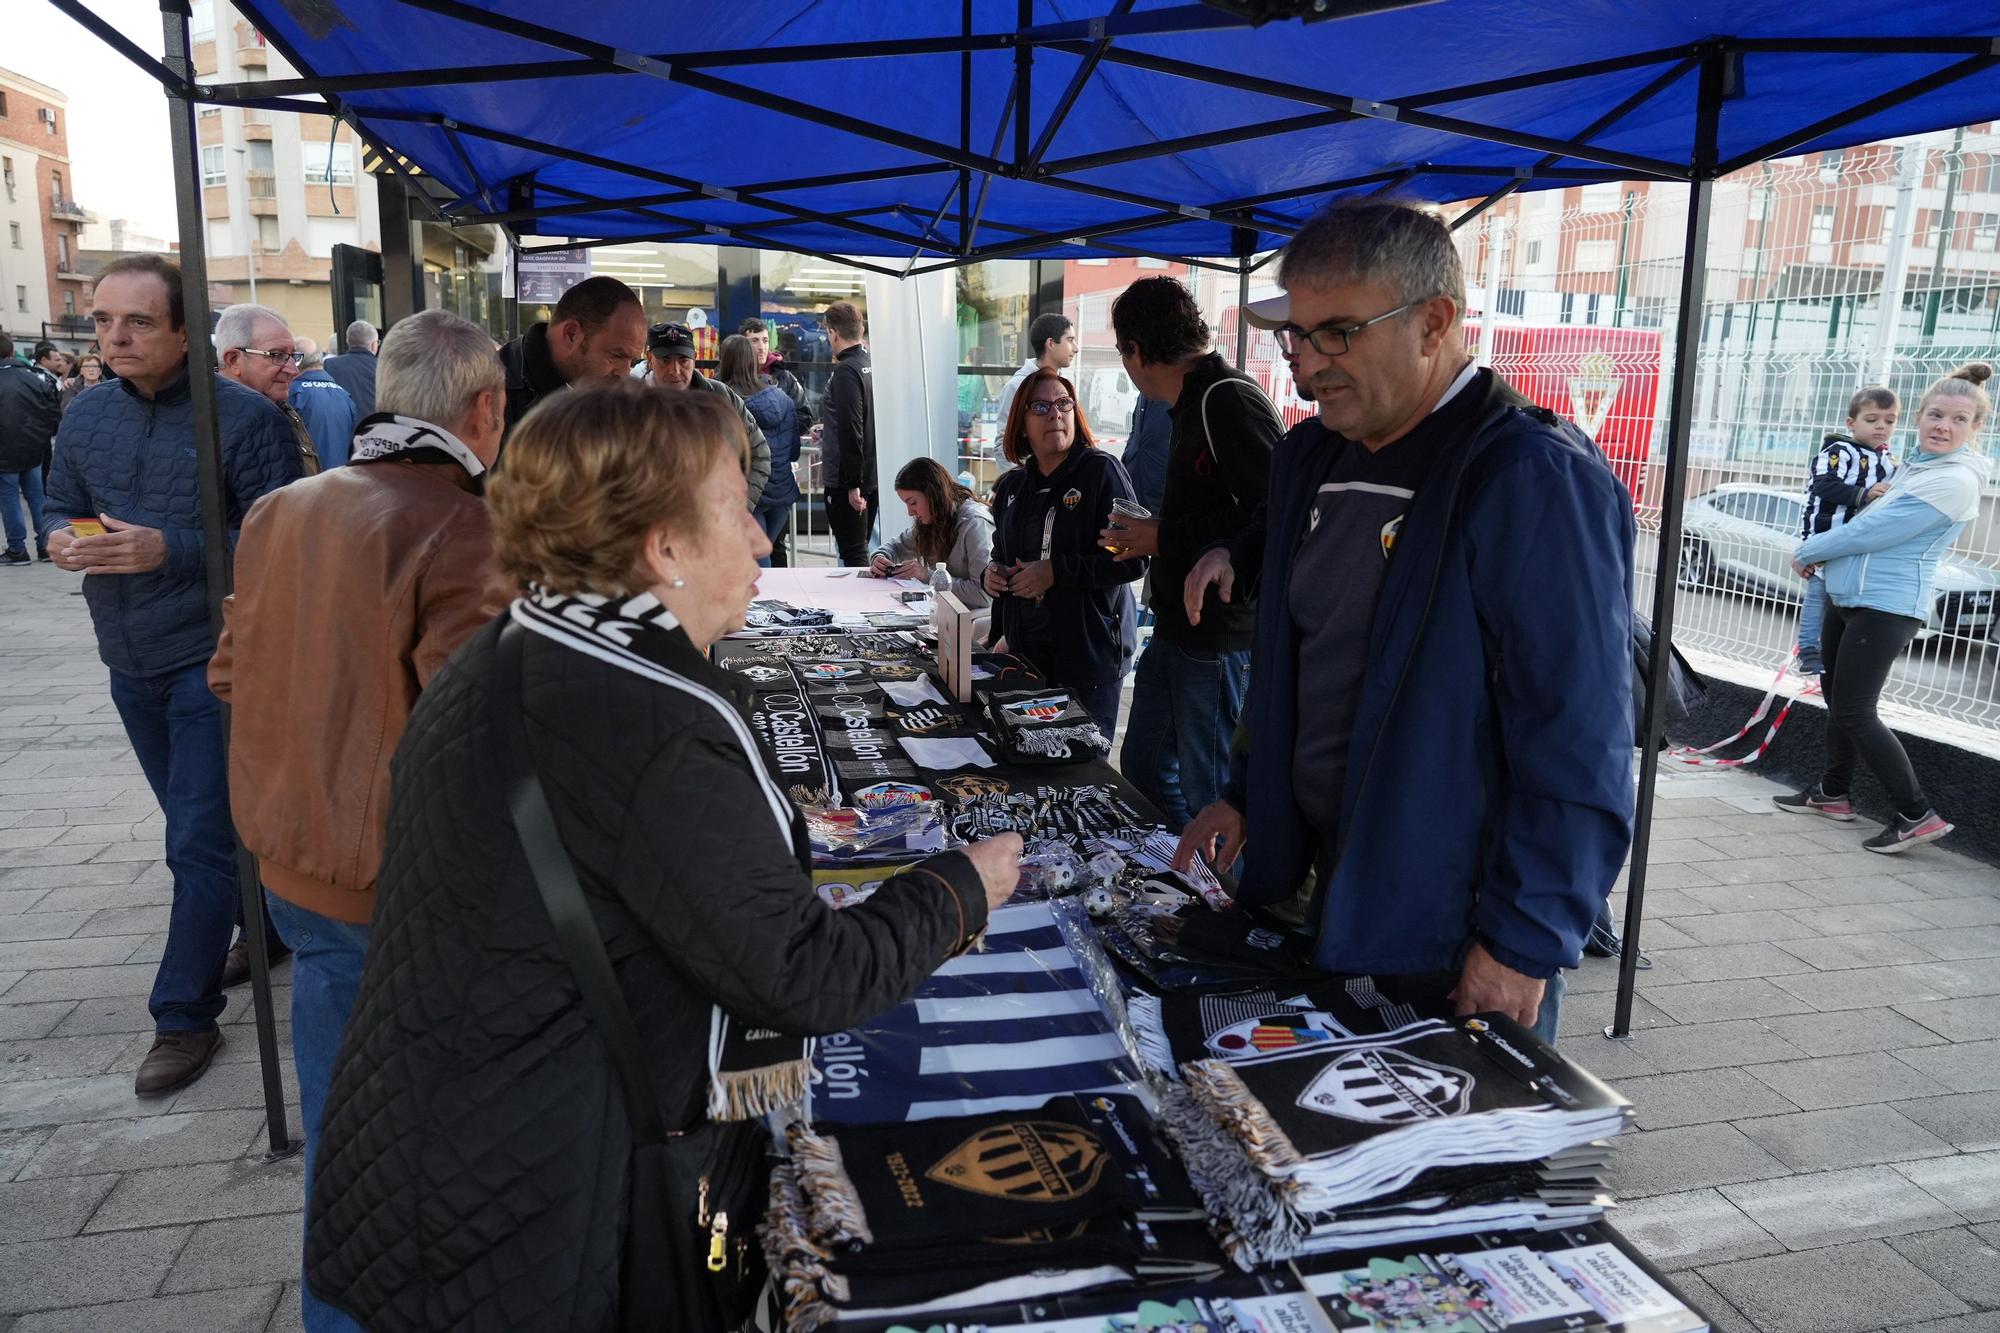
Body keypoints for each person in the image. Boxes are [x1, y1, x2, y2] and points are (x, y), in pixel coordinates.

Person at [304, 385, 1022, 1331]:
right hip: (525, 1203)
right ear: (662, 545)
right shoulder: (644, 719)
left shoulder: (520, 646)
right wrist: (963, 886)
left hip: (443, 1150)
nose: (764, 540)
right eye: (735, 511)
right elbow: (802, 975)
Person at [1174, 201, 1635, 1045]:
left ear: (1436, 322)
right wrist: (1246, 793)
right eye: (1297, 335)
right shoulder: (1310, 456)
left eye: (1337, 333)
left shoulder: (1530, 475)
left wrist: (1523, 939)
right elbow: (1291, 663)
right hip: (1312, 893)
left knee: (1456, 1165)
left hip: (1450, 931)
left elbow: (1579, 737)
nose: (1309, 365)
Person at [210, 308, 508, 1333]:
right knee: (419, 1143)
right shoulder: (462, 525)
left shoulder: (284, 509)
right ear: (485, 406)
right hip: (397, 886)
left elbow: (229, 672)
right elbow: (475, 738)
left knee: (345, 1133)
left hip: (293, 862)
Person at [42, 254, 304, 1093]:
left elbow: (281, 548)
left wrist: (173, 548)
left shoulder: (247, 420)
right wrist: (59, 535)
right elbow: (61, 500)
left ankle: (182, 1015)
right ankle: (267, 928)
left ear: (186, 332)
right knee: (206, 830)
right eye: (103, 321)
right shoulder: (84, 417)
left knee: (195, 838)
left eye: (138, 321)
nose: (114, 336)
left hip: (214, 657)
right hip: (127, 654)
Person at [1782, 363, 1992, 853]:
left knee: (1856, 709)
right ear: (1919, 416)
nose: (1944, 426)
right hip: (1847, 594)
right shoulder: (1913, 468)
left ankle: (1915, 813)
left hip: (1888, 604)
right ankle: (1833, 793)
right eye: (1936, 415)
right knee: (1838, 699)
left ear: (1975, 429)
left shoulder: (1954, 479)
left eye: (1959, 420)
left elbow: (1872, 531)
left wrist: (1810, 551)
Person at [1103, 277, 1277, 833]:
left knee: (1214, 792)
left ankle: (1221, 900)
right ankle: (1189, 877)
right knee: (1146, 769)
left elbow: (1275, 512)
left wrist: (1162, 536)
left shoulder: (1225, 397)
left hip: (1220, 636)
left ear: (1135, 351)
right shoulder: (1188, 402)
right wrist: (1155, 533)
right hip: (1180, 628)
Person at [983, 370, 1144, 740]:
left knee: (1083, 773)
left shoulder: (1101, 472)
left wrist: (1056, 572)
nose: (1055, 413)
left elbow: (1134, 558)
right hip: (1027, 657)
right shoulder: (1012, 487)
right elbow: (1000, 554)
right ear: (1021, 423)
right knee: (1033, 761)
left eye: (1063, 403)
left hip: (1088, 658)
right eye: (1040, 406)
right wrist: (991, 575)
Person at [1795, 387, 1900, 675]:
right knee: (1818, 595)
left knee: (1844, 601)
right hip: (1826, 537)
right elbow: (1824, 485)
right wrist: (1863, 494)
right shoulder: (1838, 452)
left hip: (1857, 544)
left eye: (1889, 421)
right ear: (1851, 423)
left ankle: (1837, 654)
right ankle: (1808, 651)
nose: (1881, 426)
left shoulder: (1889, 460)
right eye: (1872, 419)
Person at [498, 275, 648, 436]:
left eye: (632, 362)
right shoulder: (492, 391)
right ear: (572, 334)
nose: (624, 374)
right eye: (617, 356)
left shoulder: (612, 400)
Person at [645, 322, 772, 507]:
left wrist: (739, 508)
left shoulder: (722, 397)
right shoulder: (630, 404)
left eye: (683, 360)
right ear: (649, 358)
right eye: (665, 360)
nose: (675, 371)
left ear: (694, 359)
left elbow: (759, 453)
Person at [870, 456, 995, 608]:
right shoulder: (934, 519)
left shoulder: (975, 523)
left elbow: (983, 595)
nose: (910, 512)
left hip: (974, 620)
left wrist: (927, 576)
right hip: (946, 612)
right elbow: (895, 547)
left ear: (932, 494)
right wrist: (879, 558)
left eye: (913, 503)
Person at [720, 331, 797, 565]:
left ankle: (765, 602)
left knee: (757, 560)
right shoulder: (783, 399)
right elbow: (793, 450)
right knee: (764, 553)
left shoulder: (726, 401)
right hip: (781, 491)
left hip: (750, 492)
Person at [216, 304, 321, 476]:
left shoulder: (282, 412)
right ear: (234, 360)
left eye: (292, 356)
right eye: (277, 355)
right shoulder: (209, 427)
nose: (293, 371)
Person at [820, 300, 878, 566]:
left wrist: (853, 483)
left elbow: (852, 425)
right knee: (859, 550)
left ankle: (861, 607)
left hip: (847, 481)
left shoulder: (845, 371)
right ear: (861, 329)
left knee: (853, 555)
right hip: (871, 474)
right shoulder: (870, 365)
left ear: (832, 332)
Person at [0, 333, 56, 564]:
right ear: (11, 352)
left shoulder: (30, 378)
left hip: (4, 452)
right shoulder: (34, 379)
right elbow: (52, 413)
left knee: (10, 499)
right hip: (33, 449)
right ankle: (45, 546)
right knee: (36, 496)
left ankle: (17, 548)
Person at [996, 312, 1079, 432]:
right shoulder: (1016, 386)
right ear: (1051, 344)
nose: (1076, 348)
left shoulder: (1065, 386)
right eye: (1070, 340)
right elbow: (1003, 441)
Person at [287, 338, 361, 468]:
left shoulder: (292, 394)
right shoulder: (344, 395)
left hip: (306, 481)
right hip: (339, 478)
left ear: (295, 361)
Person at [740, 315, 812, 431]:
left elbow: (804, 416)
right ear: (742, 345)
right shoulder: (730, 374)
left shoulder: (784, 377)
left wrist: (776, 435)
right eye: (754, 341)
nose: (761, 347)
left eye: (765, 341)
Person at [1122, 394, 1171, 518]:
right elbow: (1135, 429)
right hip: (1134, 479)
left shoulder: (1172, 396)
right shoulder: (1144, 394)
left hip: (1158, 485)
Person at [323, 320, 379, 418]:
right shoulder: (382, 368)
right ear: (373, 344)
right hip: (374, 429)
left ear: (347, 340)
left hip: (342, 427)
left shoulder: (329, 365)